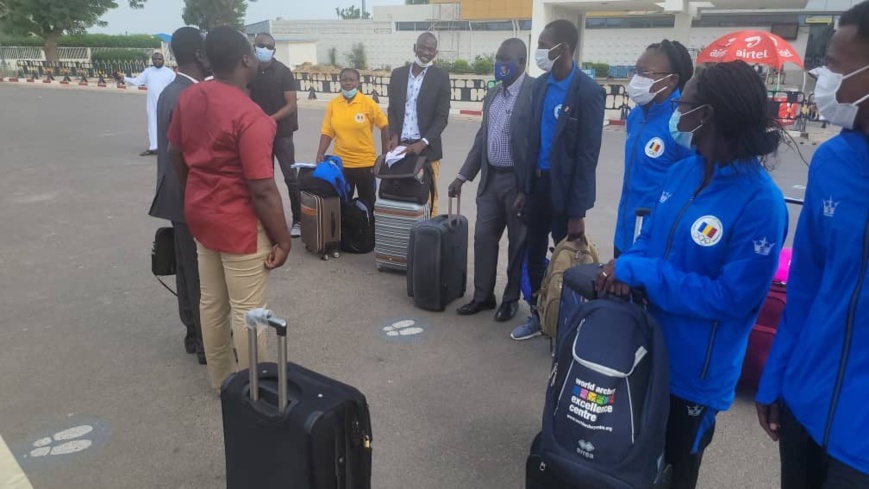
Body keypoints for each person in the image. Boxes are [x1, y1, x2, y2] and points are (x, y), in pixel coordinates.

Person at [596, 60, 788, 489]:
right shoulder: (682, 171)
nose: (678, 111)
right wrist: (627, 265)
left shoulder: (761, 204)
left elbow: (731, 298)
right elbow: (651, 238)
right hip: (644, 350)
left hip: (694, 379)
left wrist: (643, 271)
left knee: (674, 474)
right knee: (628, 464)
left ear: (707, 115)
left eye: (686, 102)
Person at [756, 2, 869, 487]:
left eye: (839, 66)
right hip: (805, 405)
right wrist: (776, 376)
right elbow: (805, 287)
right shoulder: (831, 163)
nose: (826, 78)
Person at [168, 26, 292, 392]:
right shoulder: (251, 117)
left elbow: (176, 153)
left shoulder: (190, 97)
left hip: (202, 216)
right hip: (238, 224)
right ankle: (254, 392)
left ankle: (221, 381)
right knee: (248, 312)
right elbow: (263, 190)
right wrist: (283, 240)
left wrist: (197, 187)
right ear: (245, 60)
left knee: (212, 301)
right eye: (253, 52)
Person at [510, 19, 605, 341]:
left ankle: (565, 319)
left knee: (567, 260)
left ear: (563, 48)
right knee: (534, 253)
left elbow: (587, 155)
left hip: (564, 192)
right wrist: (524, 187)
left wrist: (578, 211)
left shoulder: (589, 92)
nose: (539, 50)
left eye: (543, 43)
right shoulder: (540, 86)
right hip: (536, 185)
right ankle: (538, 315)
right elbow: (531, 141)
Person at [447, 38, 534, 323]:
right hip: (490, 180)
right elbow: (482, 139)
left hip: (518, 184)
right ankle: (484, 296)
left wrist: (529, 187)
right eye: (497, 58)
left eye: (505, 59)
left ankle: (510, 299)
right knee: (483, 238)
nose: (500, 65)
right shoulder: (493, 95)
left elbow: (539, 144)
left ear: (521, 62)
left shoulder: (535, 93)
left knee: (517, 244)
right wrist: (462, 176)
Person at [148, 27, 211, 365]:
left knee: (188, 267)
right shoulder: (187, 95)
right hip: (188, 195)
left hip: (177, 193)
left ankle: (192, 331)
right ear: (200, 56)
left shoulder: (174, 90)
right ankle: (205, 341)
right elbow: (186, 155)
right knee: (198, 270)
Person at [614, 40, 694, 257]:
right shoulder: (636, 115)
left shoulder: (683, 123)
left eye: (645, 72)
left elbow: (689, 189)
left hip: (655, 243)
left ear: (672, 79)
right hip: (624, 232)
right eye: (636, 70)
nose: (637, 78)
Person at [387, 32, 451, 216]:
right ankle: (405, 239)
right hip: (400, 148)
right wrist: (393, 136)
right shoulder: (398, 74)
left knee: (429, 200)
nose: (425, 52)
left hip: (427, 150)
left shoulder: (441, 77)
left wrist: (422, 143)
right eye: (422, 47)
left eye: (431, 49)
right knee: (400, 197)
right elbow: (392, 109)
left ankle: (428, 241)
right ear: (415, 47)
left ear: (435, 53)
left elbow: (442, 117)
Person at [248, 32, 302, 238]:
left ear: (274, 50)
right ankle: (267, 220)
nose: (263, 49)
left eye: (268, 46)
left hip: (282, 133)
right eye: (260, 45)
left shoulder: (283, 72)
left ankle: (297, 219)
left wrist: (270, 119)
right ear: (254, 47)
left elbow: (290, 104)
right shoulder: (250, 71)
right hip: (258, 134)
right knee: (263, 179)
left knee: (290, 178)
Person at [316, 67, 389, 211]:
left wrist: (385, 154)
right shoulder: (333, 105)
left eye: (351, 80)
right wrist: (320, 153)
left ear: (358, 82)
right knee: (342, 203)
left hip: (365, 164)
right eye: (344, 79)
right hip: (342, 165)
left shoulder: (367, 103)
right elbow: (327, 132)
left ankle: (368, 232)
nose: (348, 83)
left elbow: (385, 125)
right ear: (340, 81)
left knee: (368, 204)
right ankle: (346, 233)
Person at [122, 52, 176, 156]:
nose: (157, 61)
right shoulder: (148, 72)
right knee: (152, 124)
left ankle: (167, 147)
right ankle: (154, 147)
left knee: (167, 124)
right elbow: (137, 81)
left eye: (159, 59)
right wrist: (124, 78)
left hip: (165, 102)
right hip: (151, 103)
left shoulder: (169, 73)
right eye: (155, 59)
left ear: (163, 60)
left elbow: (174, 86)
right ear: (152, 60)